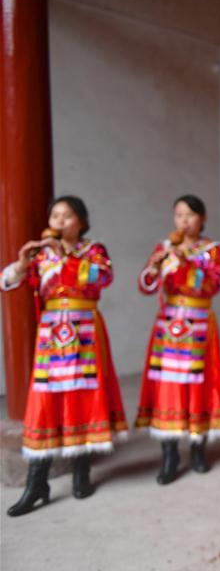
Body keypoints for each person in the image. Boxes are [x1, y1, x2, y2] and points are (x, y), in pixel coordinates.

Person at [2, 196, 127, 516]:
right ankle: (36, 482)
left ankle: (82, 472)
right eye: (55, 216)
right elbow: (9, 282)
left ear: (81, 222)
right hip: (52, 336)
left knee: (83, 396)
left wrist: (67, 257)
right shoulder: (40, 254)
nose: (59, 221)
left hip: (84, 330)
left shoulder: (94, 252)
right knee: (44, 402)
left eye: (67, 216)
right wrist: (22, 264)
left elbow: (103, 278)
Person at [135, 195, 220, 485]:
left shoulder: (212, 251)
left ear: (202, 219)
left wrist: (184, 266)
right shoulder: (164, 248)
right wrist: (155, 269)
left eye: (190, 215)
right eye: (178, 214)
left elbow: (212, 285)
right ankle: (169, 453)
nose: (183, 220)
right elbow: (145, 285)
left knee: (200, 383)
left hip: (199, 321)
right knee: (168, 385)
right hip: (169, 323)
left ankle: (198, 448)